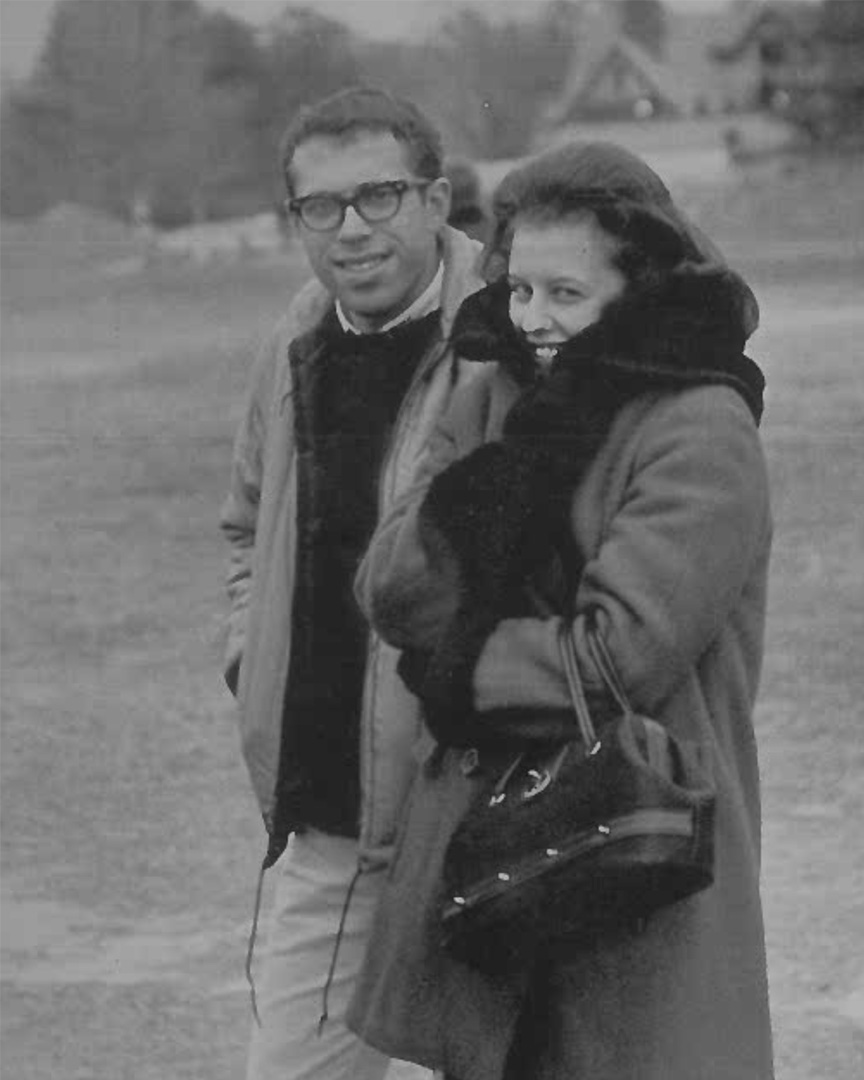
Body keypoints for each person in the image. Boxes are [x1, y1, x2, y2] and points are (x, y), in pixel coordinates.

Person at [351, 141, 774, 1079]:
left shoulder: (700, 428)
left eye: (566, 295)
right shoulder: (490, 391)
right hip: (496, 867)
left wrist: (460, 663)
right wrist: (498, 482)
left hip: (635, 863)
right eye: (518, 289)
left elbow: (620, 657)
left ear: (641, 290)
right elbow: (389, 588)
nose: (531, 319)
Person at [219, 83, 487, 1080]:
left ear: (434, 197)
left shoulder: (511, 331)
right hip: (329, 817)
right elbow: (246, 522)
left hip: (477, 811)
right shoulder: (295, 340)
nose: (352, 232)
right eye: (320, 208)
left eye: (378, 196)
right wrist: (250, 654)